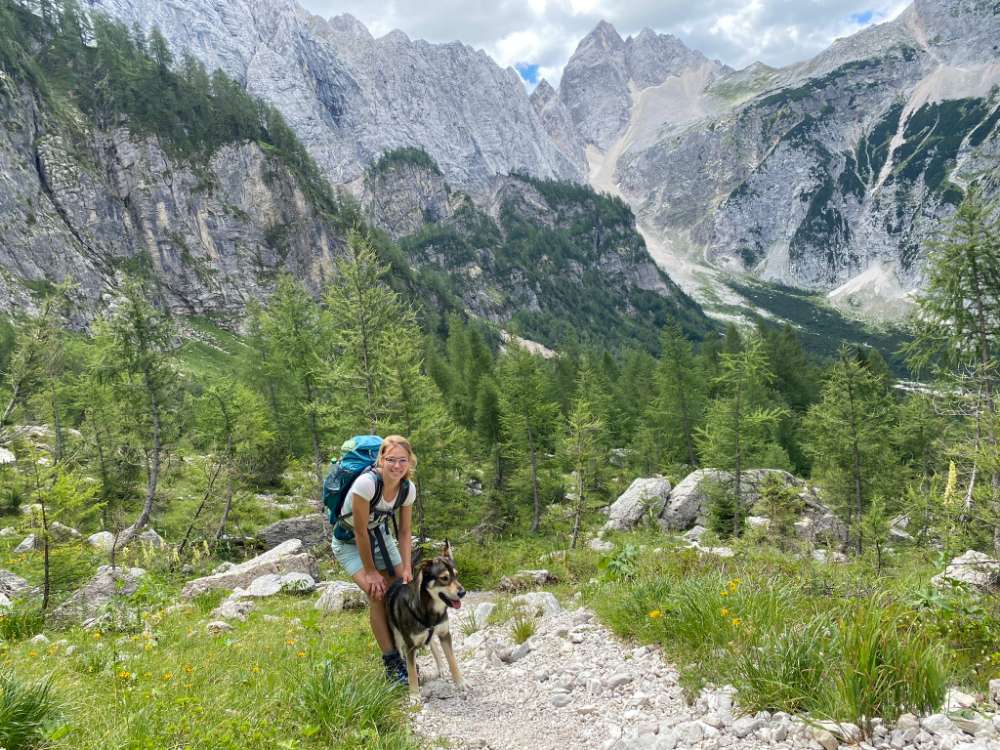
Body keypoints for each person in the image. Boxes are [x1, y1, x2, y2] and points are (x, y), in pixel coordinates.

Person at [330, 434, 416, 684]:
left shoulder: (407, 489)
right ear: (381, 459)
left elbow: (405, 531)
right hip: (348, 543)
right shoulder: (365, 485)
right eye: (391, 460)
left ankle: (405, 652)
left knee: (402, 588)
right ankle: (391, 662)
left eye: (403, 460)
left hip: (379, 536)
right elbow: (358, 531)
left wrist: (407, 566)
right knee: (377, 593)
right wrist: (370, 571)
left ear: (410, 462)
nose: (397, 466)